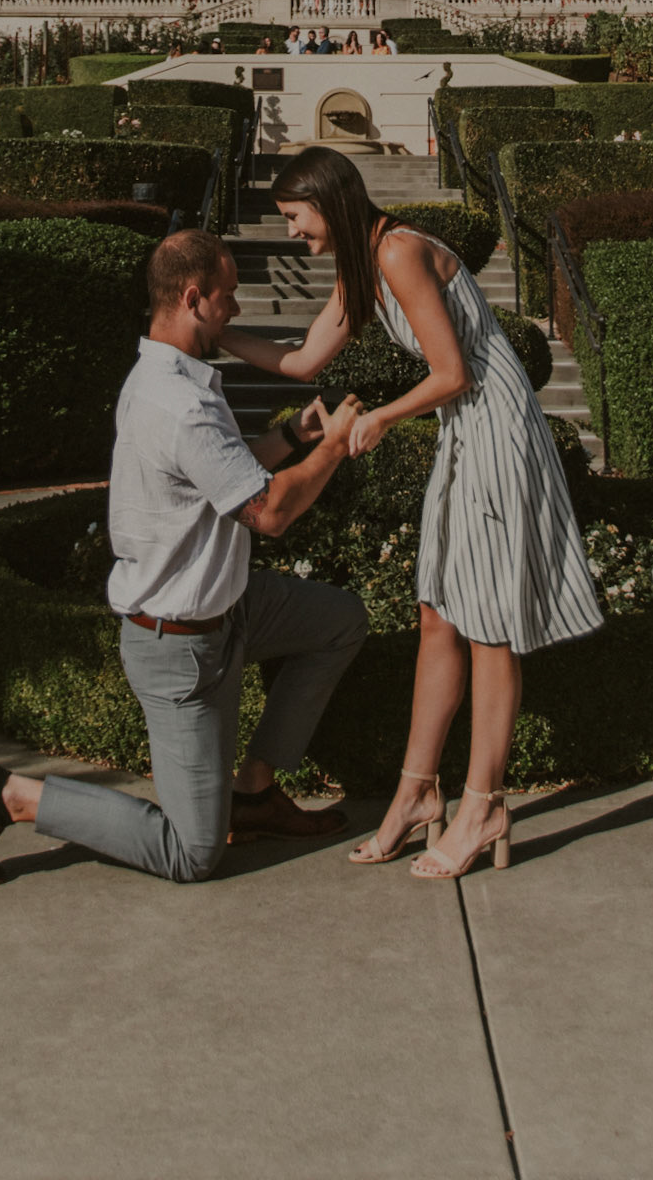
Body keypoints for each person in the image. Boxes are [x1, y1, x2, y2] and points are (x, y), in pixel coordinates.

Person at [217, 148, 602, 881]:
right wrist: (209, 336)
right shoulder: (362, 266)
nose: (295, 236)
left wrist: (382, 418)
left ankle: (483, 804)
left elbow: (452, 370)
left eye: (297, 221)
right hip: (467, 429)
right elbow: (301, 363)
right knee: (437, 615)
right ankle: (416, 794)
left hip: (494, 428)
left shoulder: (397, 251)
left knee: (488, 628)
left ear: (327, 203)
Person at [0, 229, 367, 888]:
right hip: (179, 646)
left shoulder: (178, 380)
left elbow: (225, 480)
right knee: (191, 853)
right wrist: (334, 447)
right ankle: (10, 796)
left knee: (338, 619)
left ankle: (253, 791)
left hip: (231, 608)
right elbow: (270, 514)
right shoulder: (179, 403)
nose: (234, 312)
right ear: (194, 297)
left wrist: (291, 436)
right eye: (227, 298)